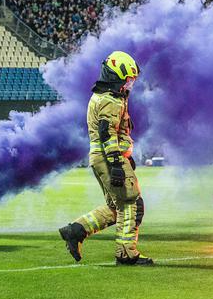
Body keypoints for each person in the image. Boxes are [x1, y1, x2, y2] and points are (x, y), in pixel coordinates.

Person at [59, 51, 153, 266]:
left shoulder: (102, 96)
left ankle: (76, 230)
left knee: (116, 206)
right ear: (115, 75)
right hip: (108, 157)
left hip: (101, 157)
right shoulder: (111, 100)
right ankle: (126, 254)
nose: (128, 85)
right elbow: (107, 133)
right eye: (127, 80)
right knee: (131, 204)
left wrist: (123, 157)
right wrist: (116, 162)